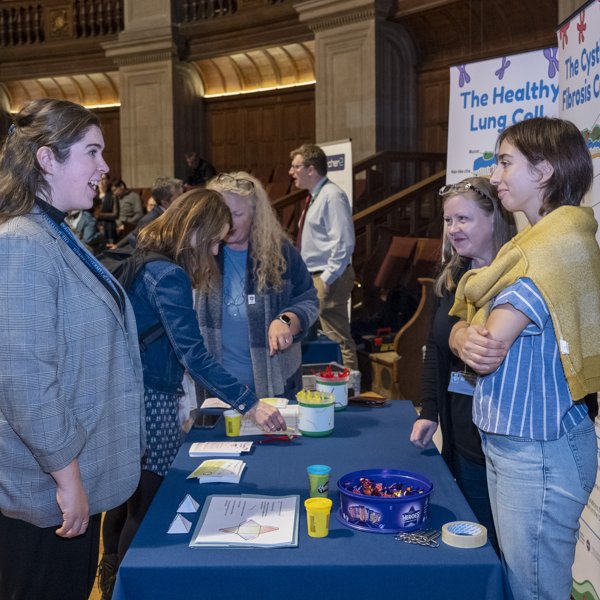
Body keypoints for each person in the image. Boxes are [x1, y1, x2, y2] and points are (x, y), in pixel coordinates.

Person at [99, 189, 286, 599]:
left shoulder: (141, 252)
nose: (217, 251)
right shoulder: (169, 275)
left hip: (123, 393)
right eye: (215, 240)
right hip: (151, 399)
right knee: (146, 506)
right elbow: (194, 354)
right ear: (196, 231)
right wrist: (251, 402)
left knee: (123, 497)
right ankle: (128, 587)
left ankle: (110, 572)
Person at [449, 117, 600, 600]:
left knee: (533, 590)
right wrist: (459, 336)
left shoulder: (552, 251)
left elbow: (486, 346)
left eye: (505, 162)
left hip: (538, 451)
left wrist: (465, 339)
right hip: (519, 446)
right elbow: (462, 331)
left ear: (544, 171)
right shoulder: (532, 248)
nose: (494, 176)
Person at [0, 98, 145, 600]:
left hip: (69, 482)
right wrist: (67, 479)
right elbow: (24, 380)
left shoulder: (54, 231)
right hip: (48, 498)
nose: (105, 167)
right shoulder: (22, 240)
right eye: (92, 152)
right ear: (46, 159)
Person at [410, 177, 516, 554]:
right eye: (448, 220)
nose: (453, 230)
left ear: (494, 219)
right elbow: (435, 350)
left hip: (497, 442)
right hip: (458, 430)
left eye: (463, 220)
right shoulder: (454, 275)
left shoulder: (516, 280)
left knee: (495, 548)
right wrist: (429, 411)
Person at [197, 172, 319, 399]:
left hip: (275, 386)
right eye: (222, 214)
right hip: (217, 392)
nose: (228, 223)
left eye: (237, 214)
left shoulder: (281, 254)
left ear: (255, 213)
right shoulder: (202, 255)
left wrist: (286, 320)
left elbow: (308, 299)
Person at [289, 143, 358, 370]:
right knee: (322, 336)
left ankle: (352, 387)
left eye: (296, 166)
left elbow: (344, 241)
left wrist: (327, 278)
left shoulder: (332, 196)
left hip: (328, 276)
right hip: (314, 275)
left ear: (311, 169)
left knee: (336, 337)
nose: (291, 172)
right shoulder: (315, 196)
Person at [95, 172, 119, 243]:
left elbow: (116, 215)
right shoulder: (93, 195)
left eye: (103, 179)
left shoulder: (113, 196)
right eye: (99, 179)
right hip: (94, 227)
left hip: (109, 227)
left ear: (108, 181)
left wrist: (100, 215)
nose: (101, 181)